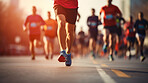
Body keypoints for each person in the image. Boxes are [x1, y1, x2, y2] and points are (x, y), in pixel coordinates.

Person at [54, 0, 78, 66]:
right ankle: (63, 51)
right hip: (59, 3)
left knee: (70, 32)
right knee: (61, 23)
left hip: (72, 6)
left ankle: (68, 53)